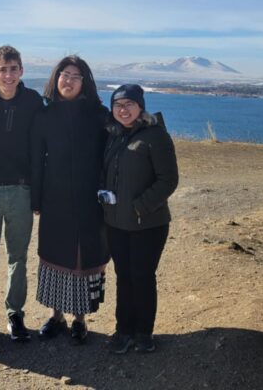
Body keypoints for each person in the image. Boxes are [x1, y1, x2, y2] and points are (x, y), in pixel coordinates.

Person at [30, 55, 109, 344]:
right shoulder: (45, 116)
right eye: (65, 74)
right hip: (55, 198)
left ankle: (80, 319)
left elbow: (112, 154)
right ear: (56, 78)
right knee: (56, 256)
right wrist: (36, 198)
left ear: (85, 82)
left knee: (84, 257)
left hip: (91, 199)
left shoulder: (98, 115)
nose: (69, 80)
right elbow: (36, 160)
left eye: (76, 76)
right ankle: (56, 315)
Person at [0, 46, 43, 344]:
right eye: (3, 69)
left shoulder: (33, 101)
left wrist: (37, 193)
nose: (9, 75)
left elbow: (42, 147)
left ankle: (15, 315)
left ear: (21, 71)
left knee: (18, 257)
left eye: (14, 69)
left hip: (20, 190)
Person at [101, 84, 179, 355]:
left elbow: (168, 180)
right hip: (116, 222)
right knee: (123, 277)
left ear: (140, 107)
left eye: (129, 104)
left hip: (148, 223)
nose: (123, 110)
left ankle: (144, 333)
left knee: (142, 277)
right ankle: (124, 331)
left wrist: (139, 207)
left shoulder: (155, 136)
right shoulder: (113, 135)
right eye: (118, 105)